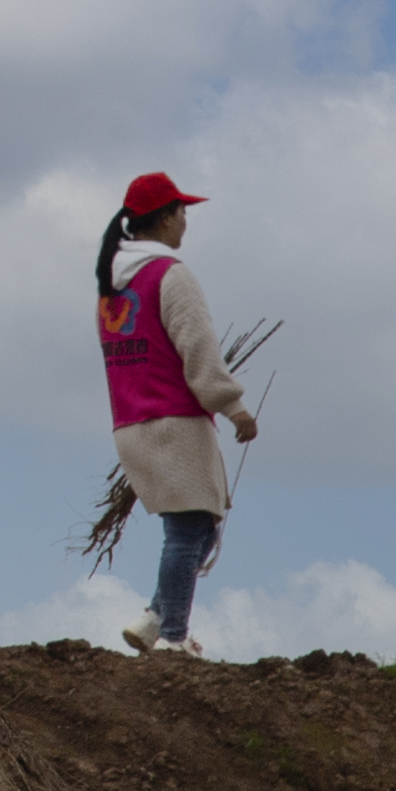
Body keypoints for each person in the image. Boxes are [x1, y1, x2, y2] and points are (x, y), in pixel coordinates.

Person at [97, 171, 258, 657]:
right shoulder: (170, 274)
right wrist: (234, 408)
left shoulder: (111, 282)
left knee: (196, 528)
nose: (186, 220)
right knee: (188, 530)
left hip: (131, 423)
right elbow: (199, 350)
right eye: (182, 211)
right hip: (175, 420)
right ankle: (172, 640)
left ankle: (153, 618)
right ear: (164, 217)